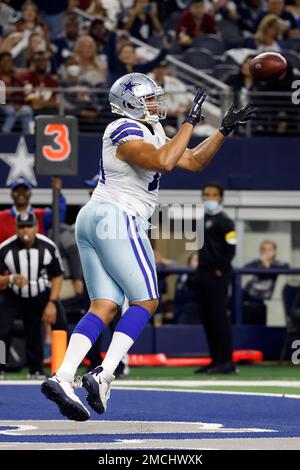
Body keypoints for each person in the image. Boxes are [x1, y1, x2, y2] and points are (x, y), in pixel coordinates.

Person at [41, 72, 255, 421]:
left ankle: (63, 376)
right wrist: (190, 121)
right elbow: (166, 162)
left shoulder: (151, 130)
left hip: (97, 217)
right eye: (149, 99)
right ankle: (104, 373)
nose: (156, 104)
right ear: (129, 103)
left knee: (105, 305)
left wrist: (222, 130)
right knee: (147, 299)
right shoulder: (122, 128)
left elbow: (192, 161)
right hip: (116, 216)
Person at [0, 212, 66, 379]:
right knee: (2, 330)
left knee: (45, 326)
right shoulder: (6, 249)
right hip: (13, 295)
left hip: (40, 294)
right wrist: (10, 278)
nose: (25, 230)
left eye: (29, 225)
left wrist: (52, 302)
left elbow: (57, 275)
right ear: (16, 228)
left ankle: (41, 369)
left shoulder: (48, 247)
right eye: (21, 227)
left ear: (36, 227)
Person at [193, 183, 237, 375]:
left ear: (221, 198)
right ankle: (215, 360)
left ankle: (227, 362)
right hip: (203, 275)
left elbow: (231, 248)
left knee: (220, 319)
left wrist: (221, 269)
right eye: (206, 194)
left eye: (213, 195)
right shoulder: (201, 220)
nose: (209, 198)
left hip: (217, 275)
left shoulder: (226, 222)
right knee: (208, 319)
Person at [0, 177, 66, 244]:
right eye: (17, 191)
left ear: (30, 193)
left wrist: (58, 193)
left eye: (24, 191)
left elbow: (58, 218)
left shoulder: (41, 215)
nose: (21, 193)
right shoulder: (1, 217)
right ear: (11, 194)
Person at [243, 239, 289, 324]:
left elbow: (285, 267)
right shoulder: (257, 262)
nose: (266, 252)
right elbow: (245, 267)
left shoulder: (278, 264)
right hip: (248, 293)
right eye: (264, 249)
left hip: (262, 296)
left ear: (275, 251)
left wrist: (268, 265)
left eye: (269, 249)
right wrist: (262, 264)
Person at [0, 51, 33, 134]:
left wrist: (20, 105)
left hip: (17, 107)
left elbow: (23, 95)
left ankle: (28, 137)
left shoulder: (16, 79)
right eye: (4, 61)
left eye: (9, 61)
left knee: (27, 111)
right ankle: (4, 137)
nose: (7, 64)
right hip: (4, 108)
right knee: (10, 111)